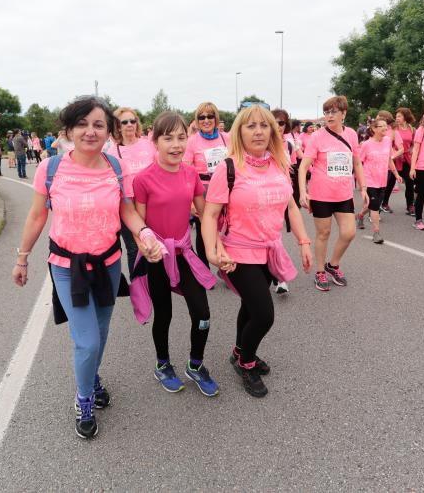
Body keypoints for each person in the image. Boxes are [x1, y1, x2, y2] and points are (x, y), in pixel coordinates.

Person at [11, 96, 162, 439]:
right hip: (68, 267)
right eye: (82, 124)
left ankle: (91, 378)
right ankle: (84, 399)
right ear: (67, 130)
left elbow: (127, 211)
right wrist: (22, 258)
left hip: (108, 263)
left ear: (108, 132)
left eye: (98, 125)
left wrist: (144, 233)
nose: (90, 132)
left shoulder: (114, 167)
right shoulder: (50, 169)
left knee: (102, 331)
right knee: (88, 341)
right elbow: (37, 216)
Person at [201, 104, 312, 397]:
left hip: (267, 250)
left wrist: (303, 242)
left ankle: (239, 351)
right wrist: (213, 252)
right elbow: (210, 215)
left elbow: (291, 207)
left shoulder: (279, 164)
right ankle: (246, 363)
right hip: (237, 253)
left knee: (250, 307)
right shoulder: (227, 168)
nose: (259, 131)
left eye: (264, 125)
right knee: (264, 315)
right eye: (250, 126)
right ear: (239, 132)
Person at [131, 111, 219, 396]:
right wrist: (147, 246)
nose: (176, 145)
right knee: (164, 315)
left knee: (203, 314)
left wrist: (220, 246)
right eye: (168, 138)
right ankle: (162, 364)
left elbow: (205, 214)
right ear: (155, 141)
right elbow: (139, 224)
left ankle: (195, 365)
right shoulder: (143, 179)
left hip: (183, 253)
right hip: (156, 256)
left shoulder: (191, 173)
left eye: (181, 137)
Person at [298, 95, 368, 291]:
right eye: (326, 112)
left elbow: (356, 163)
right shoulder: (317, 137)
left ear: (343, 113)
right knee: (323, 233)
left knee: (349, 232)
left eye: (333, 112)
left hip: (344, 193)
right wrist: (303, 191)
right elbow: (304, 167)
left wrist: (363, 188)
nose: (329, 116)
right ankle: (320, 271)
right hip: (321, 194)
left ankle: (333, 264)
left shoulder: (352, 134)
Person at [183, 102, 230, 270]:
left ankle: (227, 265)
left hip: (225, 188)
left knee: (227, 228)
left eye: (210, 116)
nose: (206, 120)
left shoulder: (227, 138)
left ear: (216, 118)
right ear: (197, 120)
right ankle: (204, 270)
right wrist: (189, 202)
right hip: (202, 191)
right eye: (202, 117)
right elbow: (185, 172)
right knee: (205, 231)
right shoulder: (192, 141)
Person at [112, 107, 156, 276]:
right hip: (127, 205)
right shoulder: (112, 152)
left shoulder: (149, 145)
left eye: (133, 121)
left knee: (152, 243)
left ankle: (155, 284)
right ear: (118, 126)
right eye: (125, 122)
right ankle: (139, 289)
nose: (129, 125)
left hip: (151, 204)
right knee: (134, 249)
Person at [356, 119, 403, 244]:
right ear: (374, 129)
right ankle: (376, 233)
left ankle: (360, 216)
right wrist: (361, 182)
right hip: (369, 180)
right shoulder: (366, 144)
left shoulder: (388, 141)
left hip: (382, 179)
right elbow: (359, 163)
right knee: (375, 207)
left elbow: (389, 159)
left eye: (385, 126)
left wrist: (396, 174)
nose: (384, 128)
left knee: (372, 205)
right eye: (381, 126)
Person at [270, 108, 299, 295]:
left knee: (275, 237)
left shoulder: (289, 145)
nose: (278, 126)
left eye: (281, 123)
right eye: (274, 122)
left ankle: (279, 278)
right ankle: (278, 277)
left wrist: (295, 194)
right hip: (263, 198)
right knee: (271, 237)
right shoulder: (260, 144)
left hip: (283, 197)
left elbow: (292, 170)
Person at [385, 108, 417, 215]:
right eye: (396, 116)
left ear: (405, 117)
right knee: (390, 183)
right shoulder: (394, 128)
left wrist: (412, 149)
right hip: (395, 159)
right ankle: (384, 203)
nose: (397, 118)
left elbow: (414, 143)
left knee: (409, 182)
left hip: (407, 159)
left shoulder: (412, 129)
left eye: (399, 116)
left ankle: (410, 206)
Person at [374, 110, 402, 213]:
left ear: (384, 119)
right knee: (374, 189)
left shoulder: (394, 131)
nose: (376, 118)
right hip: (374, 165)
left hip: (388, 166)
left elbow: (401, 149)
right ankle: (372, 210)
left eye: (378, 117)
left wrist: (391, 157)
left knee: (382, 190)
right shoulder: (374, 130)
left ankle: (377, 209)